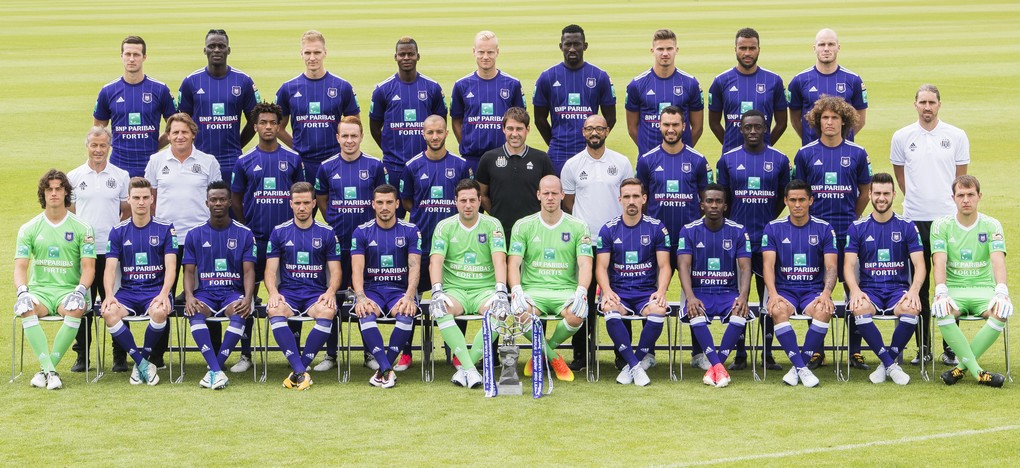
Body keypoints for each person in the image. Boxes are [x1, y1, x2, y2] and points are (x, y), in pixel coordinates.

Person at [890, 84, 970, 366]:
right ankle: (922, 348)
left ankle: (950, 348)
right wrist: (915, 199)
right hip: (914, 220)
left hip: (947, 221)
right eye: (922, 102)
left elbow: (961, 180)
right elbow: (900, 176)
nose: (927, 107)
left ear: (939, 105)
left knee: (948, 284)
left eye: (931, 102)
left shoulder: (956, 135)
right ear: (915, 105)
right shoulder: (902, 136)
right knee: (918, 285)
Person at [792, 96, 872, 369]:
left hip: (848, 232)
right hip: (814, 235)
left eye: (835, 118)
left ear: (844, 121)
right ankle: (817, 350)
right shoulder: (805, 154)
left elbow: (864, 192)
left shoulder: (858, 153)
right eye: (824, 118)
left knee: (854, 289)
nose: (829, 122)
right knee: (818, 290)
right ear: (817, 121)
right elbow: (800, 194)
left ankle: (855, 350)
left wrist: (854, 218)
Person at [229, 101, 305, 372]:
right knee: (247, 294)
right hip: (256, 239)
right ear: (255, 126)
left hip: (288, 241)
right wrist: (247, 227)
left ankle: (292, 351)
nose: (269, 127)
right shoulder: (244, 160)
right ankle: (246, 353)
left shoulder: (293, 159)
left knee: (292, 293)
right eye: (263, 123)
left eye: (273, 122)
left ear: (279, 125)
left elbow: (300, 198)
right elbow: (236, 199)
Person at [634, 106, 711, 370]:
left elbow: (705, 201)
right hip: (656, 242)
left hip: (691, 241)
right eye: (666, 124)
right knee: (652, 292)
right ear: (659, 125)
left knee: (696, 293)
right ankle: (648, 352)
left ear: (684, 127)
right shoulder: (647, 160)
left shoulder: (698, 160)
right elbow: (642, 199)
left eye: (675, 125)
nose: (670, 129)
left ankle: (699, 352)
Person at [143, 112, 222, 368]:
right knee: (161, 295)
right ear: (168, 135)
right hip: (166, 240)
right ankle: (157, 356)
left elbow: (217, 199)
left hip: (199, 238)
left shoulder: (208, 161)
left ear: (193, 134)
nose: (179, 136)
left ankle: (215, 355)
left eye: (184, 132)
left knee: (208, 293)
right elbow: (151, 199)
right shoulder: (156, 160)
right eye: (174, 132)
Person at [716, 110, 790, 370]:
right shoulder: (727, 160)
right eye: (748, 127)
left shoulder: (780, 159)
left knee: (770, 295)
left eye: (758, 127)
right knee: (740, 296)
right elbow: (722, 199)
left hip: (768, 240)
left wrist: (771, 219)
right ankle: (740, 353)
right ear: (740, 129)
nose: (753, 132)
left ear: (766, 128)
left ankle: (767, 353)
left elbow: (786, 197)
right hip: (738, 241)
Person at [313, 115, 387, 372]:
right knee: (331, 297)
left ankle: (369, 353)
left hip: (367, 248)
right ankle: (331, 354)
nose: (349, 140)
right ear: (337, 138)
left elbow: (381, 200)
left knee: (364, 298)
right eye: (344, 136)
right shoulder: (326, 167)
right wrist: (333, 220)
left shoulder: (375, 166)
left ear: (361, 137)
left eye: (354, 136)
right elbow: (321, 199)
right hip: (335, 246)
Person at [562, 114, 634, 371]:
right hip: (584, 244)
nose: (595, 133)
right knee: (583, 298)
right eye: (590, 128)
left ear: (607, 131)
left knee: (620, 297)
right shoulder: (572, 165)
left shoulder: (621, 162)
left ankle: (622, 354)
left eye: (599, 129)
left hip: (616, 241)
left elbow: (627, 197)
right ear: (583, 132)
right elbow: (569, 203)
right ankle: (581, 354)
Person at [14, 170, 97, 390]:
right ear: (43, 193)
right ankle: (50, 371)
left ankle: (45, 371)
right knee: (25, 308)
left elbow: (89, 268)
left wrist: (79, 291)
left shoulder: (83, 227)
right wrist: (23, 291)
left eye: (58, 188)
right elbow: (20, 267)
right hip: (40, 292)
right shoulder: (29, 228)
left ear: (66, 193)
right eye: (49, 189)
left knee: (77, 308)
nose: (53, 193)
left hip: (68, 291)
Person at [509, 175, 593, 381]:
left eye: (555, 193)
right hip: (533, 290)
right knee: (520, 312)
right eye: (545, 193)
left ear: (563, 195)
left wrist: (582, 291)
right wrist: (517, 290)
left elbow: (585, 263)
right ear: (538, 195)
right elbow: (513, 263)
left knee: (576, 315)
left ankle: (542, 352)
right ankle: (554, 358)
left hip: (565, 290)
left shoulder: (579, 226)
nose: (550, 197)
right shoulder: (523, 225)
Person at [843, 173, 924, 385]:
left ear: (894, 195)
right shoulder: (857, 227)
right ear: (869, 194)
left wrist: (914, 291)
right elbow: (848, 265)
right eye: (877, 193)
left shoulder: (907, 226)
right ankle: (890, 364)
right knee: (859, 308)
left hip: (898, 290)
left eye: (886, 194)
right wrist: (855, 291)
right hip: (870, 290)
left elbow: (920, 265)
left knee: (911, 309)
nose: (881, 198)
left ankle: (884, 364)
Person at [428, 179, 508, 389]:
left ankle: (466, 368)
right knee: (440, 309)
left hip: (485, 290)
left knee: (500, 312)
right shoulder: (444, 226)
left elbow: (500, 259)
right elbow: (435, 261)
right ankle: (471, 370)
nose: (468, 205)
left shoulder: (492, 225)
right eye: (463, 200)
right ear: (455, 202)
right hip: (456, 291)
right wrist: (437, 290)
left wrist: (500, 290)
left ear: (480, 200)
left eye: (473, 200)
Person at [931, 175, 1010, 388]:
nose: (966, 199)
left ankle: (960, 370)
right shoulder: (941, 225)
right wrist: (941, 291)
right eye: (961, 195)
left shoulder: (992, 225)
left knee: (1001, 312)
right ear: (953, 198)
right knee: (942, 310)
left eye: (970, 195)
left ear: (979, 196)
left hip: (983, 289)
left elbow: (997, 261)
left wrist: (1001, 291)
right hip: (954, 290)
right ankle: (978, 372)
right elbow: (939, 261)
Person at [264, 182, 342, 390]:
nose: (302, 207)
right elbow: (270, 271)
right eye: (297, 203)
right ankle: (300, 371)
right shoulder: (279, 232)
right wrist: (273, 292)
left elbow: (335, 271)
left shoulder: (326, 233)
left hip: (315, 295)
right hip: (288, 294)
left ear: (314, 204)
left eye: (306, 203)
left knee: (328, 310)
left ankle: (299, 370)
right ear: (291, 204)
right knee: (274, 308)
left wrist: (331, 292)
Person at [595, 178, 672, 386]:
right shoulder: (608, 230)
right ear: (620, 199)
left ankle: (632, 364)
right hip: (619, 292)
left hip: (646, 293)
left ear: (644, 199)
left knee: (658, 310)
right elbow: (601, 267)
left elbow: (665, 266)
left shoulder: (656, 228)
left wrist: (662, 291)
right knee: (609, 307)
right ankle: (636, 366)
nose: (631, 201)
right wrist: (607, 290)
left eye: (636, 196)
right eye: (627, 196)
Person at [100, 177, 176, 386]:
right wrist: (108, 295)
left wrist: (164, 293)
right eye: (136, 198)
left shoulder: (166, 228)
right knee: (109, 313)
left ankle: (141, 362)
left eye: (145, 197)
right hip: (129, 292)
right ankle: (141, 362)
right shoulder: (118, 231)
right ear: (128, 200)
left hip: (155, 291)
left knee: (160, 311)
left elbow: (171, 267)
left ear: (152, 199)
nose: (141, 202)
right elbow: (110, 268)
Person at [66, 127, 130, 373]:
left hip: (112, 252)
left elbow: (125, 210)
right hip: (84, 253)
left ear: (109, 147)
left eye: (103, 145)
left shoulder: (121, 175)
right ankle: (82, 356)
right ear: (87, 146)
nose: (98, 150)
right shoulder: (74, 176)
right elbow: (71, 210)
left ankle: (119, 355)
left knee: (113, 302)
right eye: (94, 145)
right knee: (82, 303)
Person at [181, 181, 256, 389]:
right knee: (194, 312)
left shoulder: (244, 233)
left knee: (240, 311)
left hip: (232, 293)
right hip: (205, 293)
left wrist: (248, 298)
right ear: (207, 203)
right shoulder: (194, 234)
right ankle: (216, 370)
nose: (218, 203)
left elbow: (249, 271)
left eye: (222, 199)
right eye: (213, 199)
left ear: (230, 202)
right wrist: (189, 296)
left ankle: (215, 368)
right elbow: (188, 271)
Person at [676, 184, 753, 387]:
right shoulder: (689, 231)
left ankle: (715, 368)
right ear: (702, 205)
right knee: (695, 311)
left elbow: (745, 268)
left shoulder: (738, 231)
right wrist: (690, 297)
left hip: (727, 292)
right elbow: (683, 266)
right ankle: (719, 367)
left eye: (718, 201)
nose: (714, 205)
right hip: (700, 293)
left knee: (740, 311)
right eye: (709, 201)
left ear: (725, 206)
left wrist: (743, 296)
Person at [761, 179, 835, 387]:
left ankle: (797, 367)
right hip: (785, 291)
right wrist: (773, 294)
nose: (797, 204)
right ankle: (803, 368)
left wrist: (826, 293)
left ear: (811, 200)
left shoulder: (824, 229)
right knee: (778, 311)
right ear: (785, 201)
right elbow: (768, 265)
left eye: (802, 199)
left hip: (813, 290)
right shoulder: (773, 228)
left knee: (824, 310)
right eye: (792, 200)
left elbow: (831, 267)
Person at [350, 184, 423, 388]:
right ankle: (386, 368)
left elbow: (414, 266)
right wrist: (361, 297)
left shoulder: (410, 230)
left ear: (397, 204)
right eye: (380, 202)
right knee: (365, 312)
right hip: (372, 290)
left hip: (399, 291)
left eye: (389, 202)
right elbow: (357, 269)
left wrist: (409, 296)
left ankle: (383, 368)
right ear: (373, 204)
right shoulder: (361, 232)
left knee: (406, 313)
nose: (384, 207)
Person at [276, 30, 360, 184]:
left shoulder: (342, 86)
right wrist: (296, 146)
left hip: (335, 160)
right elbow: (278, 127)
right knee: (304, 207)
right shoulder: (288, 88)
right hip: (302, 163)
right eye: (307, 52)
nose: (312, 58)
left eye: (317, 52)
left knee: (336, 207)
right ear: (301, 54)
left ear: (325, 53)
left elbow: (355, 125)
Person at [401, 115, 472, 294]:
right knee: (414, 297)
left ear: (446, 133)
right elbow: (408, 202)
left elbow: (468, 199)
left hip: (454, 244)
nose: (435, 137)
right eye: (430, 132)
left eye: (439, 132)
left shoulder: (461, 165)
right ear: (423, 134)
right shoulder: (412, 166)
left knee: (455, 295)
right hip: (422, 242)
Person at [178, 29, 260, 182]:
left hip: (231, 160)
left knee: (231, 204)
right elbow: (182, 122)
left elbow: (254, 121)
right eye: (212, 46)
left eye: (221, 46)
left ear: (228, 50)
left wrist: (238, 144)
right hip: (198, 159)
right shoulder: (191, 82)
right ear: (205, 50)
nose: (216, 50)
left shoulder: (243, 81)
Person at [533, 24, 616, 174]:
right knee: (559, 196)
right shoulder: (547, 77)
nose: (572, 49)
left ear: (585, 46)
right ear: (561, 46)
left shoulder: (600, 76)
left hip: (590, 152)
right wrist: (555, 142)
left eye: (576, 44)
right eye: (568, 44)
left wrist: (594, 138)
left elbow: (611, 117)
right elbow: (539, 119)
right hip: (558, 154)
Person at [370, 36, 448, 195]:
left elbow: (440, 125)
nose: (406, 58)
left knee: (423, 211)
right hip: (393, 166)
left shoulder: (432, 88)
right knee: (391, 214)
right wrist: (390, 150)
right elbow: (375, 127)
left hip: (425, 164)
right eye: (402, 54)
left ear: (418, 56)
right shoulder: (382, 89)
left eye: (411, 54)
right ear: (395, 57)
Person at [93, 35, 177, 177]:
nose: (131, 59)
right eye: (128, 54)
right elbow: (98, 129)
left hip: (151, 164)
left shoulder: (160, 89)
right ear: (121, 56)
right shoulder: (108, 91)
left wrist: (154, 145)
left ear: (144, 57)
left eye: (136, 55)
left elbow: (175, 126)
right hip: (118, 164)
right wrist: (117, 144)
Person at [450, 30, 526, 173]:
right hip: (472, 158)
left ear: (497, 52)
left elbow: (520, 120)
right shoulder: (461, 85)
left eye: (490, 52)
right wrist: (467, 143)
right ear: (474, 52)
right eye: (481, 52)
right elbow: (457, 120)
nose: (485, 57)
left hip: (504, 156)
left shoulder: (512, 84)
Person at [707, 27, 788, 154]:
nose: (747, 53)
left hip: (764, 156)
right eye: (743, 48)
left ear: (759, 50)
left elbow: (782, 123)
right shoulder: (721, 81)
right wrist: (731, 147)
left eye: (752, 48)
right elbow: (713, 123)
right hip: (731, 157)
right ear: (735, 50)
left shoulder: (774, 80)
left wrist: (766, 145)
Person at [476, 107, 555, 236]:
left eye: (519, 129)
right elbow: (481, 194)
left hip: (533, 233)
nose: (514, 134)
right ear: (503, 129)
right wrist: (496, 215)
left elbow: (550, 194)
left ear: (527, 130)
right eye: (510, 128)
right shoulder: (488, 158)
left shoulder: (541, 158)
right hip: (500, 232)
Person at [625, 28, 704, 155]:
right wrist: (648, 151)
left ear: (676, 50)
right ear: (652, 51)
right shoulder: (637, 84)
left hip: (681, 158)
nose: (665, 53)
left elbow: (698, 128)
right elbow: (632, 128)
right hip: (648, 160)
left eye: (669, 49)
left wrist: (678, 149)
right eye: (660, 49)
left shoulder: (691, 83)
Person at [788, 28, 868, 146]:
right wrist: (811, 139)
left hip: (845, 151)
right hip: (811, 152)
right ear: (814, 48)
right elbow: (795, 120)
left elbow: (860, 120)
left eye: (831, 44)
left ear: (838, 47)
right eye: (821, 44)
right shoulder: (799, 80)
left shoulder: (854, 80)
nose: (826, 49)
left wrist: (839, 139)